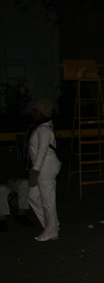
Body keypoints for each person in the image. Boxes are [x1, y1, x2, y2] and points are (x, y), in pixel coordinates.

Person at [25, 98, 62, 241]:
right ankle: (51, 224)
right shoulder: (41, 127)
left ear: (42, 113)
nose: (33, 113)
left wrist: (35, 171)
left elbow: (42, 151)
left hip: (46, 167)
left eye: (36, 111)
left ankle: (51, 231)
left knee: (47, 200)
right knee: (33, 197)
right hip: (41, 167)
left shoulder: (44, 130)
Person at [0, 145, 32, 231]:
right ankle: (2, 219)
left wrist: (12, 178)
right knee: (1, 189)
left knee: (25, 184)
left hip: (10, 181)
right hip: (2, 185)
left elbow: (17, 168)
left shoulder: (3, 152)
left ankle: (21, 214)